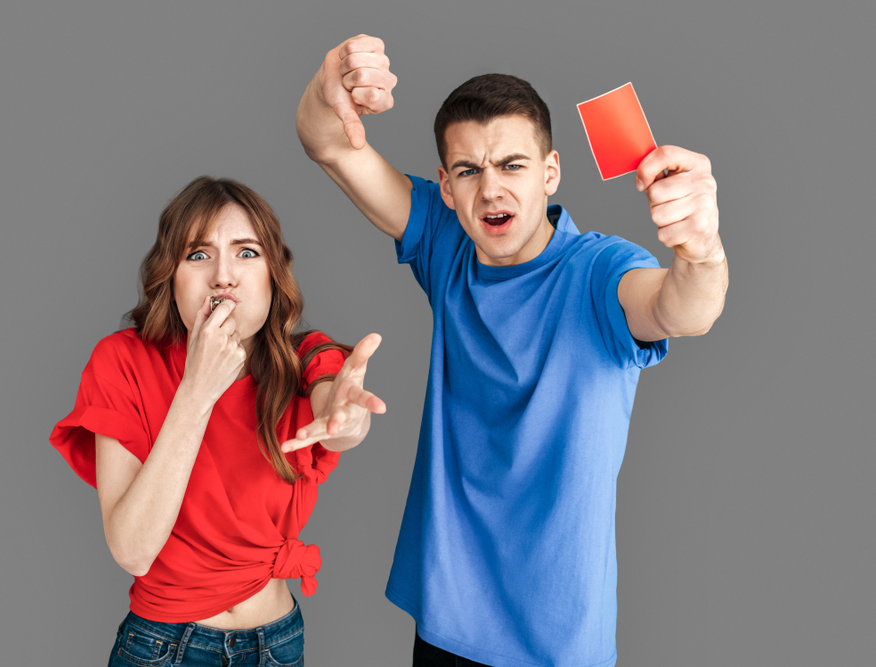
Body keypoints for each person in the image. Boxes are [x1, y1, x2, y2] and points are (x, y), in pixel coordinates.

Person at [297, 34, 728, 667]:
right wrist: (329, 79)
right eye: (468, 171)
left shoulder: (599, 271)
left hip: (555, 644)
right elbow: (328, 142)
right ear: (446, 186)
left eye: (513, 165)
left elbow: (680, 310)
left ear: (550, 171)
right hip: (446, 625)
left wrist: (702, 251)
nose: (490, 189)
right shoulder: (447, 242)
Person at [50, 176, 386, 667]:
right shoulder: (121, 362)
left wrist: (347, 418)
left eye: (247, 253)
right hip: (165, 648)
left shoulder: (305, 360)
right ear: (172, 275)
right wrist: (197, 391)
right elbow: (133, 550)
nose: (223, 276)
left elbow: (341, 414)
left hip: (278, 645)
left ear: (273, 274)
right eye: (199, 254)